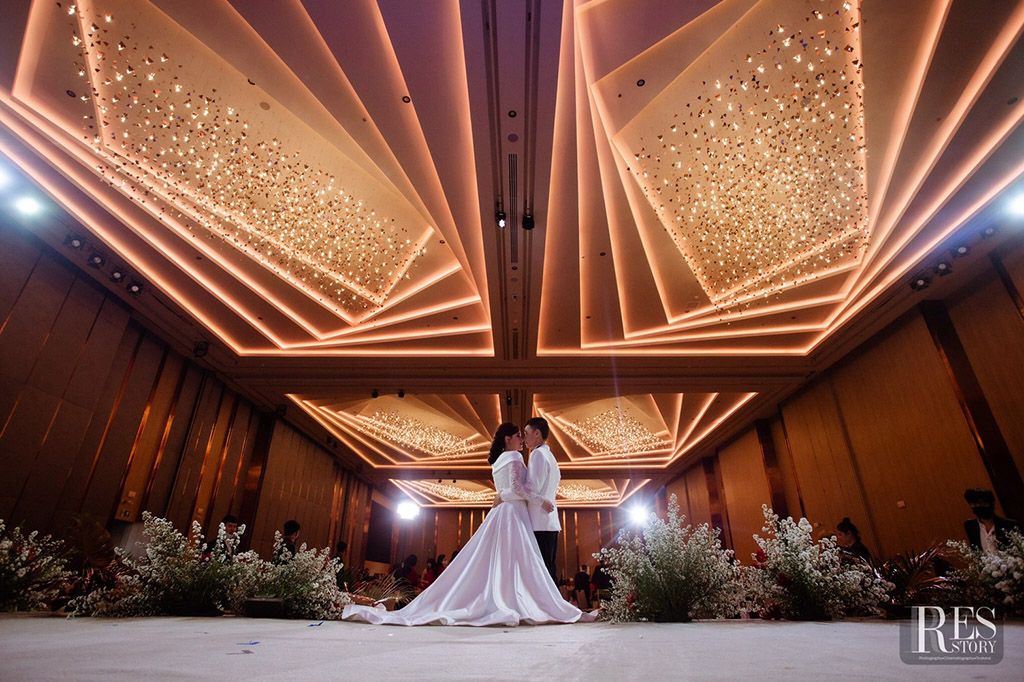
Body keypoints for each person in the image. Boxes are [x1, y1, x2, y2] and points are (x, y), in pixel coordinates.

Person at [342, 423, 593, 626]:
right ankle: (516, 599)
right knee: (518, 560)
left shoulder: (498, 461)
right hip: (514, 513)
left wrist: (502, 495)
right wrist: (538, 499)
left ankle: (509, 598)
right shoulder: (515, 457)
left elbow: (508, 489)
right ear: (508, 439)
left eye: (523, 435)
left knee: (500, 559)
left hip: (501, 512)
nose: (521, 439)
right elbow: (518, 488)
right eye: (518, 435)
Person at [500, 416, 561, 585]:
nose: (524, 438)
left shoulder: (537, 454)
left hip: (539, 522)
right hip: (549, 521)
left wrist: (503, 494)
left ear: (537, 433)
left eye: (526, 433)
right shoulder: (550, 456)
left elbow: (529, 489)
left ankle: (550, 603)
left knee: (542, 573)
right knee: (548, 570)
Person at [964, 489, 1020, 553]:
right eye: (974, 504)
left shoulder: (1009, 525)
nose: (979, 506)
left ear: (991, 504)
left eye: (983, 503)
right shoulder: (971, 526)